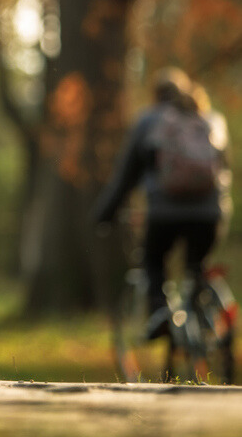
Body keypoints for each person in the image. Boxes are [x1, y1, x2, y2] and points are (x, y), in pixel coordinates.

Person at [92, 68, 226, 341]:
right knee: (196, 267)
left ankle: (160, 312)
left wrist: (103, 215)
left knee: (152, 260)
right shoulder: (210, 119)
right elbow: (225, 169)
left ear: (156, 94)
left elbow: (125, 177)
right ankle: (209, 331)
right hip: (210, 214)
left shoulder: (148, 121)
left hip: (166, 213)